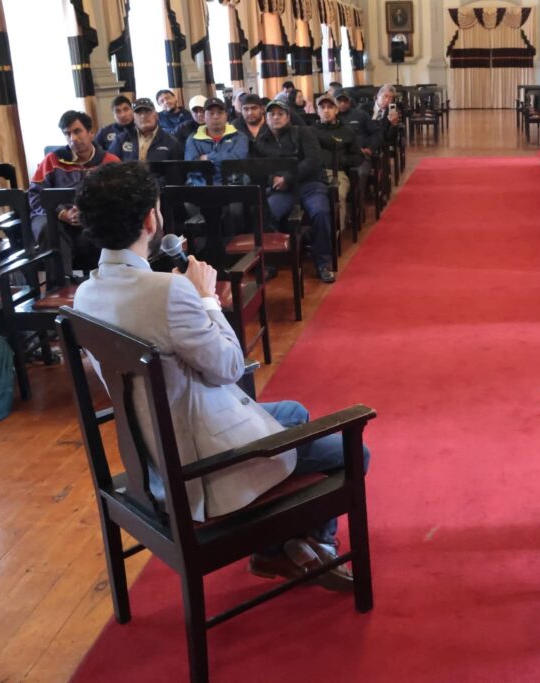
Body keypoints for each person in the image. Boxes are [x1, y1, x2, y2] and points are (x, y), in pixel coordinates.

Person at [72, 161, 366, 589]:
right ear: (151, 220)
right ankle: (312, 545)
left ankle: (278, 544)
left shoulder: (85, 293)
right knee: (355, 451)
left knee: (294, 411)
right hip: (202, 466)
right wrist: (205, 297)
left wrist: (187, 299)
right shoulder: (169, 292)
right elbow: (229, 367)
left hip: (153, 452)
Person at [252, 99, 336, 283]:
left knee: (320, 213)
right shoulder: (262, 140)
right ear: (266, 117)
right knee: (266, 212)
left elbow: (313, 161)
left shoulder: (303, 132)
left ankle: (323, 263)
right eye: (272, 114)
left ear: (288, 116)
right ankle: (271, 263)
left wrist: (287, 178)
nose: (276, 117)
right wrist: (273, 180)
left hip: (309, 184)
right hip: (282, 190)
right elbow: (259, 167)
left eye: (280, 114)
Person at [28, 110, 120, 276]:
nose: (73, 138)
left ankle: (105, 282)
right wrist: (62, 213)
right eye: (67, 134)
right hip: (55, 216)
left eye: (77, 131)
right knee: (47, 227)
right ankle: (60, 284)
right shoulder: (52, 160)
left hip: (93, 217)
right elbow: (35, 195)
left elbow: (118, 197)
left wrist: (87, 213)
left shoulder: (110, 161)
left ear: (91, 132)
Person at [311, 92, 367, 232]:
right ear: (317, 111)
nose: (326, 110)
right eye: (322, 107)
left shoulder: (347, 131)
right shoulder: (310, 132)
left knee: (338, 194)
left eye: (330, 107)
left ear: (336, 110)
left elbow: (358, 157)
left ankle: (336, 232)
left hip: (338, 173)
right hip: (314, 174)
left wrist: (341, 160)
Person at [184, 97, 250, 186]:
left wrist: (207, 158)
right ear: (204, 117)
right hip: (201, 188)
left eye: (220, 113)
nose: (216, 116)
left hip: (233, 187)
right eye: (211, 113)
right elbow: (192, 167)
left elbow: (238, 163)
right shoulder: (193, 139)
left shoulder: (239, 137)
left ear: (226, 116)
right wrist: (224, 160)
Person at [109, 98, 184, 163]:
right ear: (133, 118)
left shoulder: (171, 142)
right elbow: (109, 166)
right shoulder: (121, 140)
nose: (143, 116)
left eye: (147, 112)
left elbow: (178, 171)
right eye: (139, 113)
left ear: (156, 116)